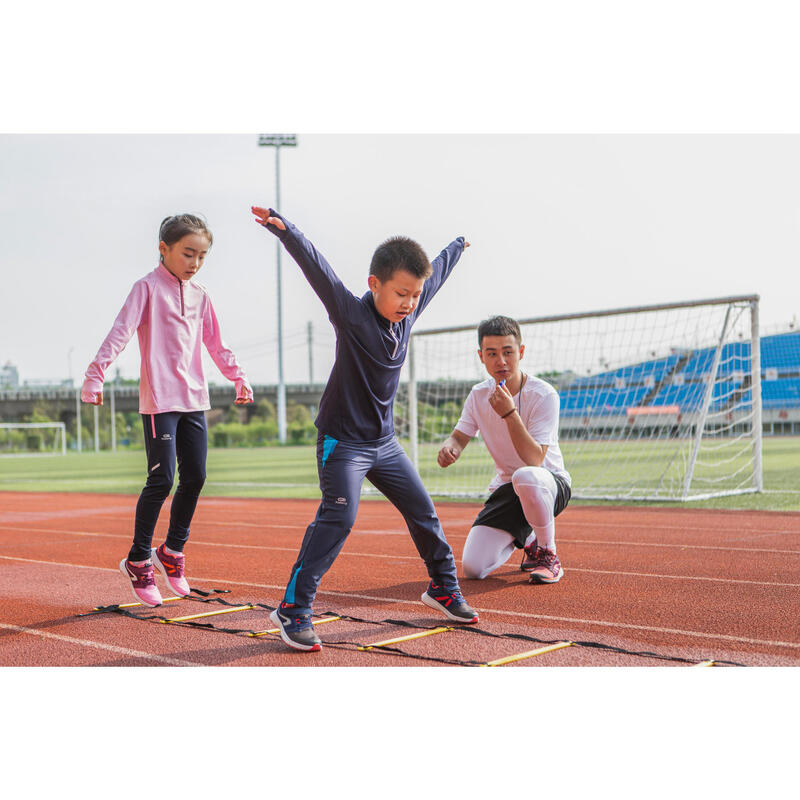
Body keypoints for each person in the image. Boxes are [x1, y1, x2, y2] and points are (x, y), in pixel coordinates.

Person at [251, 205, 479, 652]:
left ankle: (443, 589)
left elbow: (437, 276)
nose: (409, 303)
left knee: (423, 511)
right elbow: (319, 271)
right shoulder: (351, 315)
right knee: (339, 516)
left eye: (414, 295)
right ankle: (293, 609)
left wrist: (457, 247)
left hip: (384, 444)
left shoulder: (408, 312)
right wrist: (286, 230)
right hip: (343, 443)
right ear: (374, 284)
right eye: (401, 294)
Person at [81, 214, 253, 607]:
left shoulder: (201, 295)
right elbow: (120, 332)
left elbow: (215, 342)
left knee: (196, 476)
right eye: (188, 253)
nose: (194, 263)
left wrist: (237, 376)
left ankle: (172, 551)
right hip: (159, 399)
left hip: (194, 398)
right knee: (162, 481)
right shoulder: (145, 288)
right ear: (164, 249)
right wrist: (95, 376)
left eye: (202, 256)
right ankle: (139, 560)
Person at [438, 315, 571, 583]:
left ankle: (549, 554)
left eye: (508, 352)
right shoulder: (478, 395)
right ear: (481, 356)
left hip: (548, 485)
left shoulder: (543, 394)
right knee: (473, 569)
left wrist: (509, 412)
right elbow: (459, 436)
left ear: (521, 352)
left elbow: (535, 459)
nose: (501, 361)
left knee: (526, 475)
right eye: (492, 353)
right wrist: (449, 448)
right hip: (508, 489)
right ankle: (530, 541)